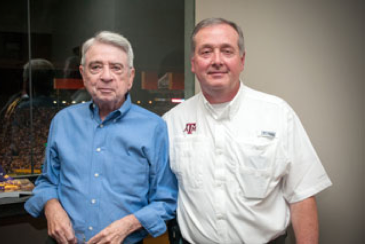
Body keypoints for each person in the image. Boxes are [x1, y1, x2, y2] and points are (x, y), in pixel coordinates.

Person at [163, 18, 332, 244]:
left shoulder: (278, 114)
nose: (217, 61)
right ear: (193, 63)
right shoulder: (171, 122)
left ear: (241, 60)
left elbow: (301, 196)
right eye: (206, 52)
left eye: (227, 51)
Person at [25, 31, 178, 244]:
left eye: (116, 67)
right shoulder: (62, 122)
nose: (106, 76)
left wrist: (128, 224)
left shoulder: (154, 127)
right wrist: (51, 206)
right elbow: (47, 182)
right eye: (96, 67)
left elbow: (166, 200)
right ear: (83, 74)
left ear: (130, 77)